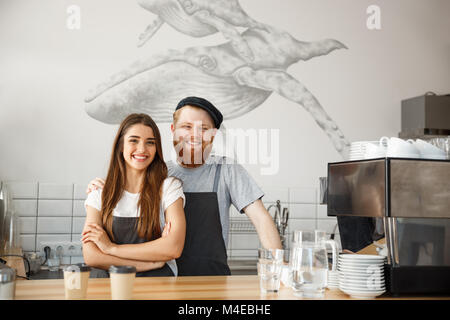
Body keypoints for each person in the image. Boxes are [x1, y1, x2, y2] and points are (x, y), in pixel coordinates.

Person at [87, 96, 282, 276]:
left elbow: (261, 219)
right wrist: (105, 187)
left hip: (213, 279)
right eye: (186, 127)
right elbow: (127, 188)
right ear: (173, 129)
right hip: (166, 279)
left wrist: (278, 268)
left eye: (204, 129)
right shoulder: (160, 174)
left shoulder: (226, 170)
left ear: (213, 135)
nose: (194, 135)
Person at [82, 113, 186, 277]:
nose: (142, 149)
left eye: (150, 142)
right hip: (110, 286)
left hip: (158, 285)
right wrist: (148, 263)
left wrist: (111, 248)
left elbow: (173, 247)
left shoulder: (169, 188)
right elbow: (91, 256)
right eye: (134, 140)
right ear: (121, 145)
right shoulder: (100, 192)